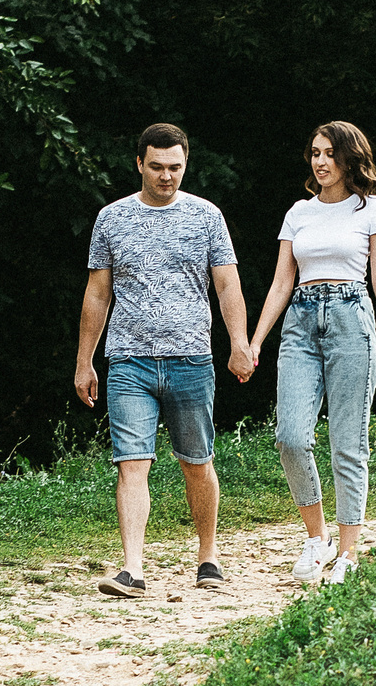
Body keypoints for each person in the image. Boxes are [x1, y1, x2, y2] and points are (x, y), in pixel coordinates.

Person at [75, 123, 255, 598]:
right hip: (128, 359)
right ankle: (132, 569)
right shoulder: (112, 218)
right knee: (131, 464)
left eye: (175, 167)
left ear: (185, 164)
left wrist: (239, 342)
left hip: (191, 358)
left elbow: (227, 285)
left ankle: (208, 556)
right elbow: (97, 293)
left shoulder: (206, 216)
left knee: (197, 463)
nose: (166, 176)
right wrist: (84, 361)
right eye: (156, 167)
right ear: (139, 163)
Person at [243, 121, 376, 585]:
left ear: (350, 158)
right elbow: (281, 282)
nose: (320, 161)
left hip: (352, 320)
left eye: (330, 153)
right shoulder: (299, 212)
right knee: (291, 437)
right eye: (315, 153)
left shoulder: (370, 209)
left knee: (347, 444)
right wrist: (256, 340)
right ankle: (318, 539)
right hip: (300, 323)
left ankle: (348, 552)